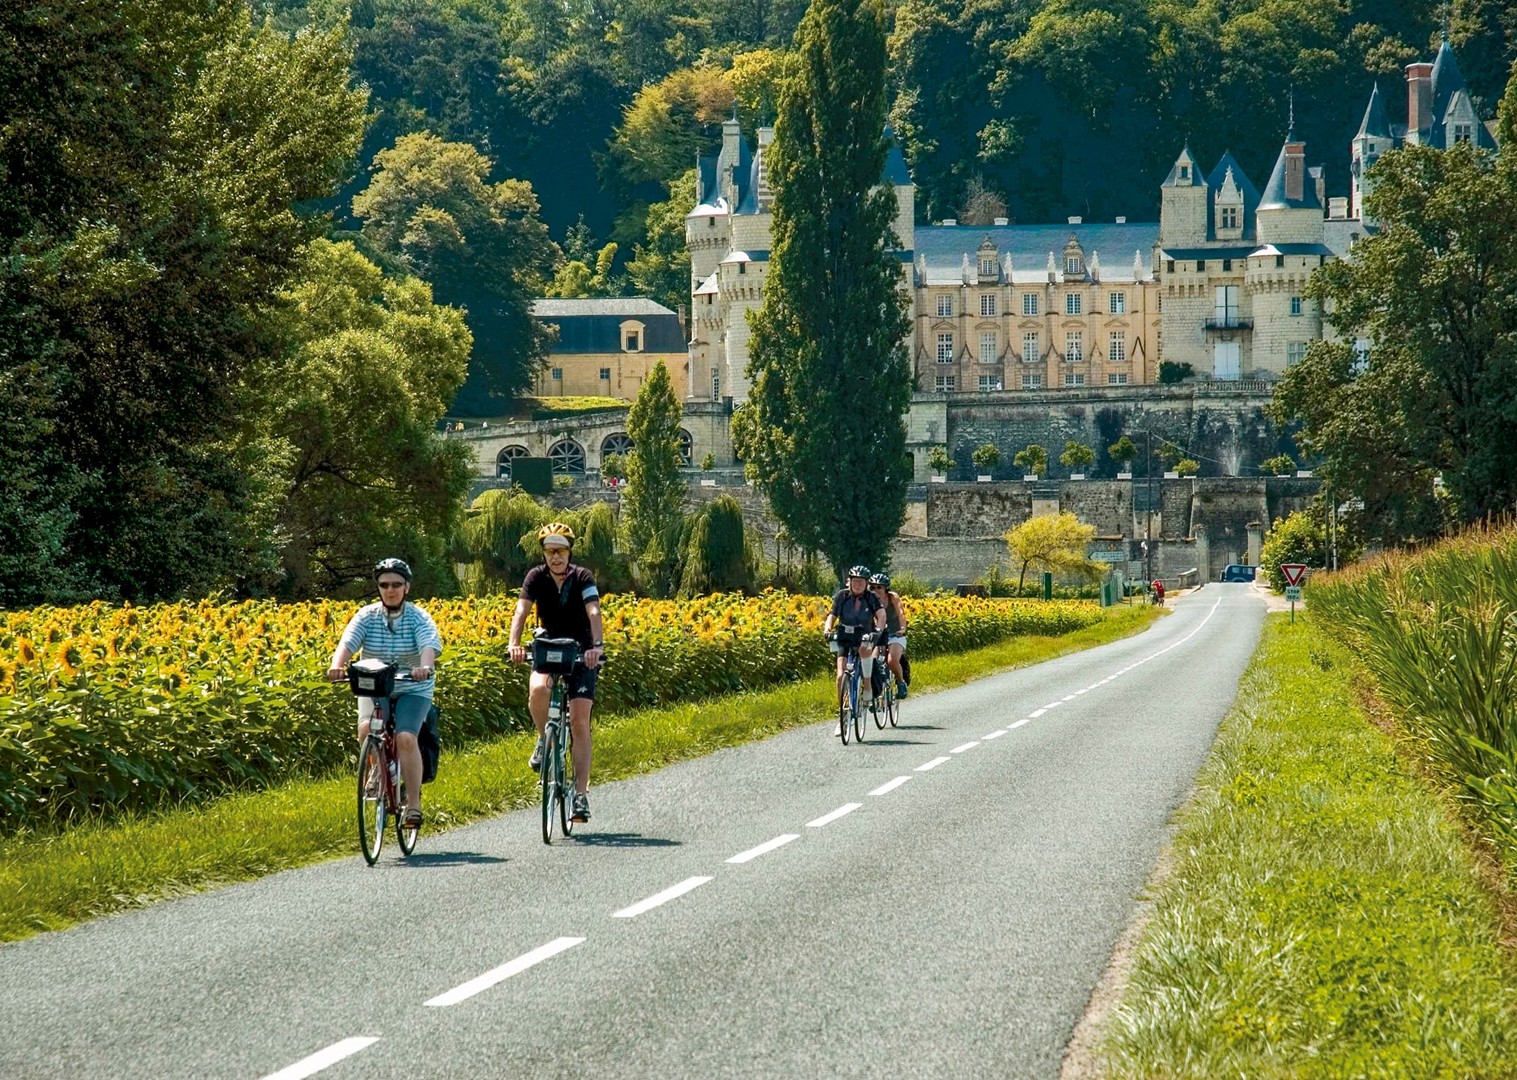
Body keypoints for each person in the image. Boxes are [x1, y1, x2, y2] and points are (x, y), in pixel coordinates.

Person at [328, 558, 441, 830]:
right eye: (384, 585)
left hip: (412, 687)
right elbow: (348, 641)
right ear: (378, 588)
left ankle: (413, 803)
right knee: (367, 728)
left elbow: (428, 644)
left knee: (405, 737)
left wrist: (424, 667)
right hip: (375, 684)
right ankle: (377, 772)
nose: (390, 590)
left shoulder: (418, 617)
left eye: (396, 585)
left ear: (407, 587)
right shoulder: (367, 616)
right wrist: (337, 664)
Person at [508, 522, 605, 823]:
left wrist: (597, 647)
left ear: (569, 552)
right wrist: (514, 644)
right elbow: (521, 611)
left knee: (578, 721)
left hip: (581, 653)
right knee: (537, 691)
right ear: (544, 555)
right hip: (548, 647)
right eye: (550, 551)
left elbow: (594, 610)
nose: (556, 557)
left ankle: (580, 795)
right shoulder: (535, 577)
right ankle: (544, 739)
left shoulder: (582, 577)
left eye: (561, 550)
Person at [823, 566, 887, 728]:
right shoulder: (841, 596)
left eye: (861, 582)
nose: (857, 584)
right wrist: (827, 628)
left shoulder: (871, 598)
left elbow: (881, 615)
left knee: (864, 650)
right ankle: (843, 714)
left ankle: (866, 685)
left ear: (866, 583)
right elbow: (832, 615)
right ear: (849, 582)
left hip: (865, 635)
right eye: (855, 581)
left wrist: (878, 630)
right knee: (840, 676)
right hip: (845, 635)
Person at [868, 572, 910, 699]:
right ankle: (876, 694)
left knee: (891, 661)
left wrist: (902, 628)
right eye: (873, 587)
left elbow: (900, 613)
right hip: (880, 634)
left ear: (886, 588)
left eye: (879, 587)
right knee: (873, 662)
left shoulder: (892, 597)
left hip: (895, 634)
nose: (876, 590)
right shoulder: (870, 600)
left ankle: (901, 683)